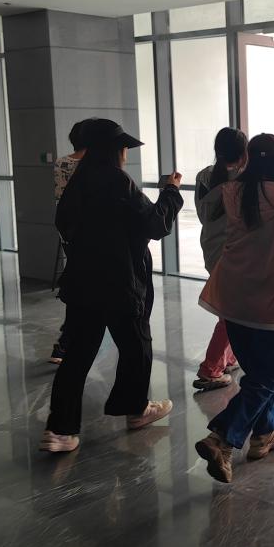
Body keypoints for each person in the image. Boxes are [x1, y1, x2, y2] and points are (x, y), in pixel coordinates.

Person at [40, 119, 183, 453]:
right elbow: (155, 224)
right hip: (120, 281)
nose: (125, 153)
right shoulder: (119, 181)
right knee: (136, 346)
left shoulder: (78, 181)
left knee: (78, 355)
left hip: (83, 282)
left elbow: (64, 223)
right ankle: (136, 410)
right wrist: (171, 192)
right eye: (123, 147)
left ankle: (60, 431)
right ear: (113, 150)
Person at [195, 133, 274, 483]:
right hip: (269, 299)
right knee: (265, 378)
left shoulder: (231, 193)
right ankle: (221, 438)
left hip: (233, 296)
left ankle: (266, 433)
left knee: (258, 373)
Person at [192, 127, 249, 391]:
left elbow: (203, 214)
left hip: (211, 246)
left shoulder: (204, 176)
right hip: (233, 251)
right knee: (231, 313)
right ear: (243, 153)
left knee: (229, 306)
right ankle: (211, 368)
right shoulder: (242, 179)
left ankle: (227, 358)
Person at [50, 118, 94, 364]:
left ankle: (67, 341)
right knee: (85, 289)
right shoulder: (91, 165)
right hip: (89, 232)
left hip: (68, 230)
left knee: (80, 283)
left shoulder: (61, 162)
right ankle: (66, 342)